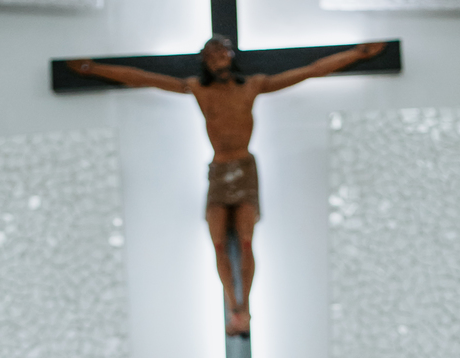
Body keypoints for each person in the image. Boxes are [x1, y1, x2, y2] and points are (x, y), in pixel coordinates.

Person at [69, 36, 384, 334]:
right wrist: (93, 68)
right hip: (219, 169)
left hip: (244, 168)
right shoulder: (197, 89)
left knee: (246, 241)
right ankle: (232, 305)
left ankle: (245, 306)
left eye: (222, 52)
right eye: (211, 55)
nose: (218, 58)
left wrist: (357, 54)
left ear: (231, 56)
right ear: (205, 62)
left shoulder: (253, 86)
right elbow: (143, 78)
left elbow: (310, 71)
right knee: (218, 242)